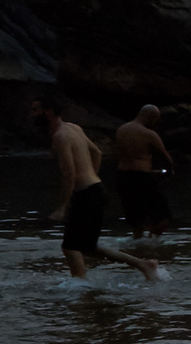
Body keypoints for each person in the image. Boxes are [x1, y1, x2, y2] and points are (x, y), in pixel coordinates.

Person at [43, 101, 160, 281]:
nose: (32, 114)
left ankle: (80, 285)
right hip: (94, 190)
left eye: (35, 110)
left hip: (88, 194)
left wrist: (62, 206)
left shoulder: (61, 136)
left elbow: (69, 174)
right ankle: (143, 265)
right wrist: (92, 177)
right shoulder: (73, 128)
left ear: (48, 112)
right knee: (85, 246)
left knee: (71, 246)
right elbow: (97, 152)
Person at [111, 104, 177, 239]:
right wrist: (169, 172)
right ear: (152, 118)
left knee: (135, 218)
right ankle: (152, 243)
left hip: (122, 176)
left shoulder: (121, 130)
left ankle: (137, 249)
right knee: (164, 218)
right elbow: (167, 158)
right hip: (142, 177)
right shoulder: (149, 134)